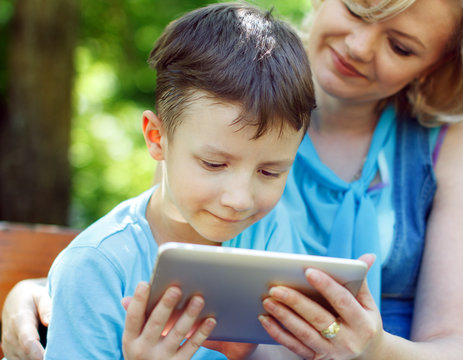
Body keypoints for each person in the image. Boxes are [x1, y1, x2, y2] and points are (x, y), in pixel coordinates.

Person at [1, 0, 463, 359]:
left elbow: (453, 346)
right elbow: (147, 241)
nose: (358, 45)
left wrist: (372, 350)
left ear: (438, 63)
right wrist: (46, 289)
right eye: (358, 7)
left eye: (400, 45)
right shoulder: (241, 75)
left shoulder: (454, 152)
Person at [0, 3, 315, 359]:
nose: (240, 199)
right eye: (214, 164)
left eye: (270, 172)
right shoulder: (95, 267)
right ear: (156, 137)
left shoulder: (269, 231)